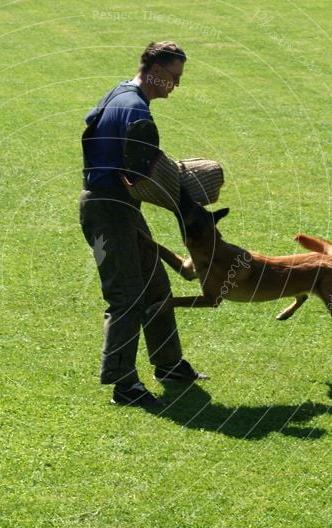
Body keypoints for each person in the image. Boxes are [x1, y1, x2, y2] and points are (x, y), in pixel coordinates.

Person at [79, 41, 208, 408]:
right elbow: (142, 173)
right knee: (126, 296)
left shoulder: (122, 94)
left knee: (155, 284)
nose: (176, 86)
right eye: (173, 77)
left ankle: (168, 365)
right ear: (155, 71)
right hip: (107, 211)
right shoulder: (137, 113)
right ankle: (124, 385)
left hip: (119, 206)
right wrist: (181, 190)